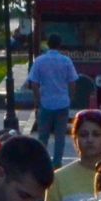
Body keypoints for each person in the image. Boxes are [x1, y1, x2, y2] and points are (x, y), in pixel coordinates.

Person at [28, 34, 80, 163]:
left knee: (43, 136)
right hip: (62, 103)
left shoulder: (39, 61)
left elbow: (34, 83)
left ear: (48, 44)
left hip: (45, 102)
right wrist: (70, 97)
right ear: (59, 45)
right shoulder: (66, 61)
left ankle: (42, 161)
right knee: (60, 136)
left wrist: (37, 99)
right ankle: (57, 162)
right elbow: (73, 82)